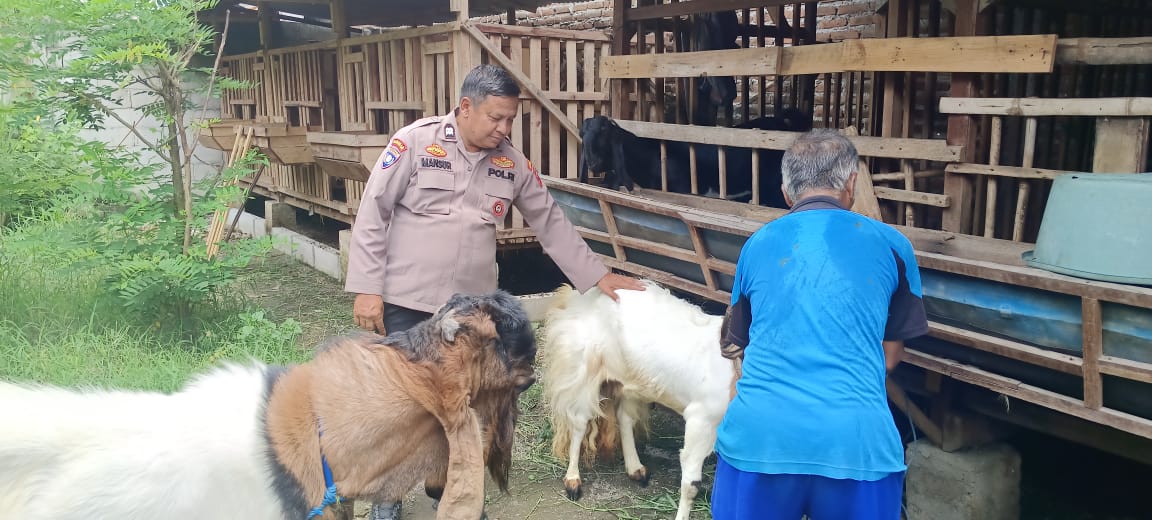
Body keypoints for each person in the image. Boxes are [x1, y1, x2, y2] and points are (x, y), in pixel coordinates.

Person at [344, 63, 644, 520]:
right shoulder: (415, 143)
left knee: (466, 409)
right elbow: (372, 212)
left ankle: (453, 495)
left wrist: (598, 276)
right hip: (408, 304)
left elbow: (550, 222)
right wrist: (367, 288)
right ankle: (387, 500)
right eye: (495, 118)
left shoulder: (511, 162)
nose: (504, 129)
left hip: (471, 318)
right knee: (399, 407)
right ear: (465, 108)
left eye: (510, 120)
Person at [712, 129, 929, 520]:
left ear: (785, 191)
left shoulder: (757, 244)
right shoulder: (894, 245)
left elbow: (740, 345)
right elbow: (891, 356)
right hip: (856, 443)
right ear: (851, 184)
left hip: (760, 439)